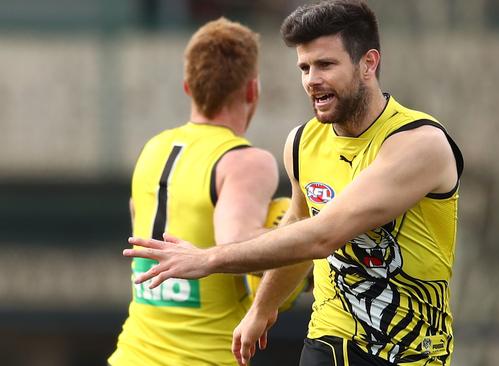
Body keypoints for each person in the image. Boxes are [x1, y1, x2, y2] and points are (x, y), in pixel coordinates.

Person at [124, 1, 464, 365]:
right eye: (304, 67)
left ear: (369, 63)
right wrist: (263, 307)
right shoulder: (302, 144)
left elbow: (323, 235)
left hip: (412, 352)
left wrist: (210, 258)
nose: (311, 79)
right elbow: (297, 227)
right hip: (330, 339)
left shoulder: (419, 144)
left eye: (325, 65)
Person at [109, 17, 292, 366]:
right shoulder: (244, 160)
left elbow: (139, 228)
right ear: (253, 90)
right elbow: (237, 243)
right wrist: (306, 238)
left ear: (187, 87)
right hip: (203, 357)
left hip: (130, 354)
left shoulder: (153, 148)